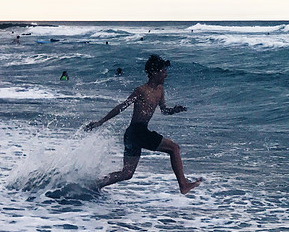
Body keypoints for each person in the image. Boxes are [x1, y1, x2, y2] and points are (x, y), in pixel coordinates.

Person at [84, 54, 202, 194]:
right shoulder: (141, 91)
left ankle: (94, 185)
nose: (166, 75)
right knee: (174, 148)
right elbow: (122, 107)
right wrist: (100, 122)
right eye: (163, 72)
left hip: (136, 134)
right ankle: (183, 185)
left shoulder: (160, 90)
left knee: (127, 173)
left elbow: (163, 110)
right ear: (154, 72)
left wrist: (174, 111)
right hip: (136, 131)